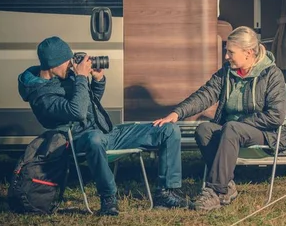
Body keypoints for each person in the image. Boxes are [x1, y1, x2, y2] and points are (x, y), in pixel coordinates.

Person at [18, 36, 188, 216]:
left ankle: (166, 193)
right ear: (52, 64)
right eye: (67, 61)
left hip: (108, 132)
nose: (70, 64)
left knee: (169, 129)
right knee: (94, 138)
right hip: (78, 139)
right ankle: (108, 197)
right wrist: (82, 77)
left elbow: (89, 105)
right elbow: (77, 112)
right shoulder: (41, 95)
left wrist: (97, 81)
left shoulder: (66, 77)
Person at [154, 26, 286, 211]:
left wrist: (238, 124)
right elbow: (205, 95)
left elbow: (276, 116)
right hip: (232, 131)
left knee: (231, 127)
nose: (226, 56)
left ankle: (215, 191)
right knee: (204, 130)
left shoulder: (272, 75)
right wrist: (177, 113)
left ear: (248, 53)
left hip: (264, 133)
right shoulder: (227, 73)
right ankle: (227, 185)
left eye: (230, 52)